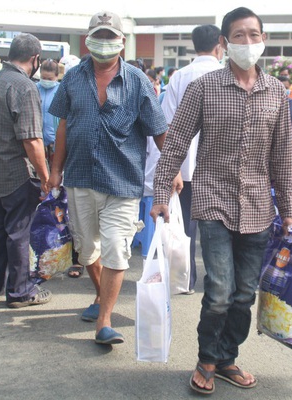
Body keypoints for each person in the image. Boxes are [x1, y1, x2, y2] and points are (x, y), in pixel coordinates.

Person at [151, 7, 292, 394]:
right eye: (238, 36)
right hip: (212, 199)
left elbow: (282, 156)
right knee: (218, 292)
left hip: (258, 208)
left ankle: (228, 357)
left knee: (245, 293)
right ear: (224, 43)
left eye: (253, 34)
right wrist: (161, 191)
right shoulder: (204, 88)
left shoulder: (277, 92)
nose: (247, 42)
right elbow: (177, 140)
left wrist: (290, 211)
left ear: (263, 39)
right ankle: (206, 360)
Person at [47, 11, 170, 345]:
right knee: (87, 249)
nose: (104, 43)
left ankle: (104, 321)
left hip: (123, 181)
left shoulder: (138, 81)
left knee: (117, 248)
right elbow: (62, 125)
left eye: (110, 36)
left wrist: (170, 172)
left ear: (122, 42)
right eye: (98, 36)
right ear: (88, 41)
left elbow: (160, 131)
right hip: (79, 176)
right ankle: (101, 295)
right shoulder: (72, 77)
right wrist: (55, 169)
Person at [0, 33, 52, 308]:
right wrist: (45, 177)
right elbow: (32, 139)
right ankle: (20, 292)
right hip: (15, 174)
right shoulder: (24, 87)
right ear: (35, 59)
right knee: (18, 233)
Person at [161, 23, 224, 294]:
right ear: (220, 44)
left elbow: (165, 123)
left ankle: (185, 279)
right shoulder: (227, 75)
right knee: (221, 226)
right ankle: (220, 280)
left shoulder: (179, 77)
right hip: (220, 166)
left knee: (185, 225)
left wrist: (170, 167)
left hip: (185, 167)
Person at [36, 59, 60, 159]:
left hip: (55, 141)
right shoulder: (34, 88)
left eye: (49, 79)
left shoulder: (61, 90)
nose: (46, 81)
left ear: (57, 77)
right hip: (37, 141)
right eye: (43, 78)